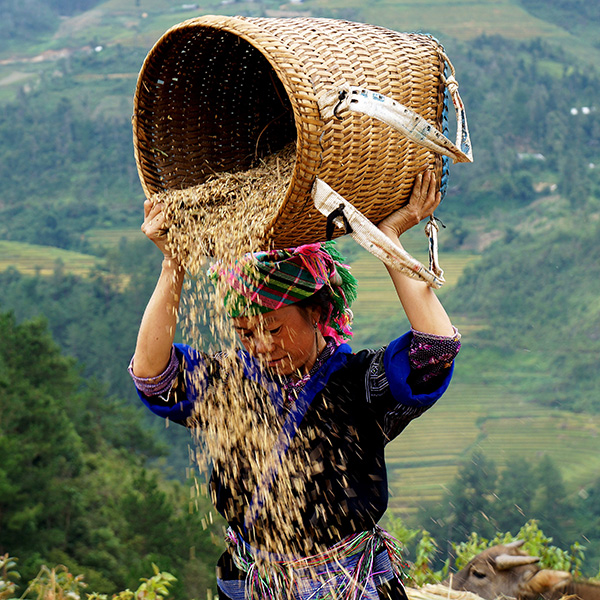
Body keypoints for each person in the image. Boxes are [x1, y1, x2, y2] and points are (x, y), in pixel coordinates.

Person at [128, 170, 461, 600]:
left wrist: (387, 239)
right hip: (251, 582)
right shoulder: (230, 383)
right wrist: (174, 262)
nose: (261, 345)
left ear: (318, 314)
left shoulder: (359, 383)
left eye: (273, 328)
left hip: (348, 585)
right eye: (246, 333)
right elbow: (154, 377)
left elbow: (435, 349)